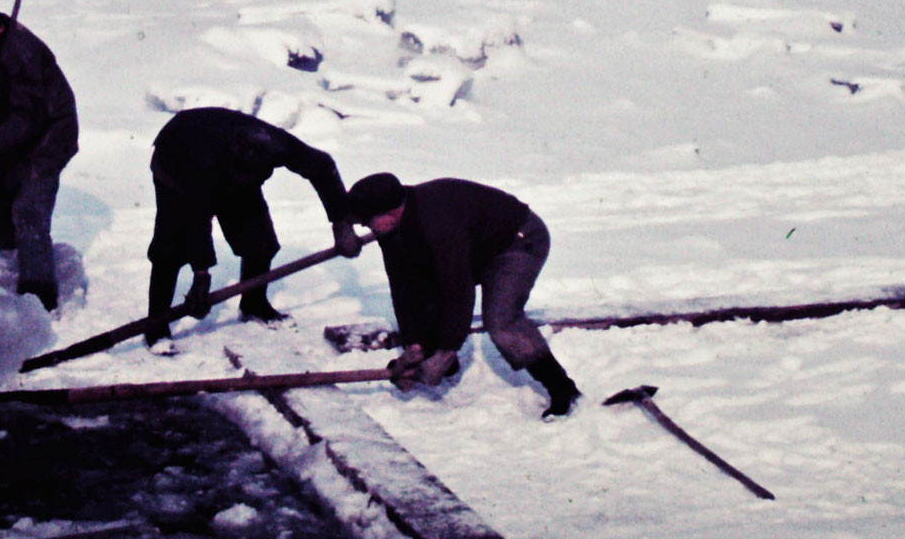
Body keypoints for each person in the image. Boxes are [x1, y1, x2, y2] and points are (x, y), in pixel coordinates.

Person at [346, 172, 580, 420]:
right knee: (424, 291)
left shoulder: (437, 224)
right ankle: (443, 364)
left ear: (389, 215)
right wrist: (415, 348)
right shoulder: (392, 228)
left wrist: (446, 351)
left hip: (517, 241)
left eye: (366, 221)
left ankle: (562, 388)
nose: (365, 227)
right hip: (475, 247)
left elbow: (458, 289)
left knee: (501, 320)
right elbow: (404, 287)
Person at [144, 108, 361, 347]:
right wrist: (201, 273)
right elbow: (195, 220)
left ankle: (254, 304)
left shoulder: (275, 145)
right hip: (176, 166)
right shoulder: (200, 162)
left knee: (261, 242)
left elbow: (322, 166)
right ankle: (156, 324)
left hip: (228, 169)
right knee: (171, 249)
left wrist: (342, 222)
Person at [0, 0, 77, 311]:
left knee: (29, 210)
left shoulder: (22, 53)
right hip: (19, 132)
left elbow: (29, 115)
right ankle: (19, 260)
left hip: (51, 133)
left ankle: (40, 297)